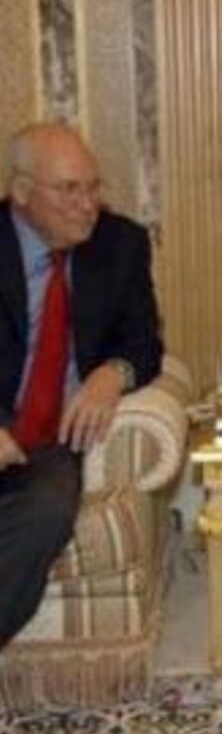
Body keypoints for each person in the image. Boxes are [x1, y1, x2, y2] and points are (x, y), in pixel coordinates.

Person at [0, 122, 163, 649]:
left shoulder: (120, 244)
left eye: (93, 187)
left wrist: (113, 374)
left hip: (50, 441)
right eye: (69, 189)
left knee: (47, 510)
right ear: (21, 191)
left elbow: (145, 343)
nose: (87, 204)